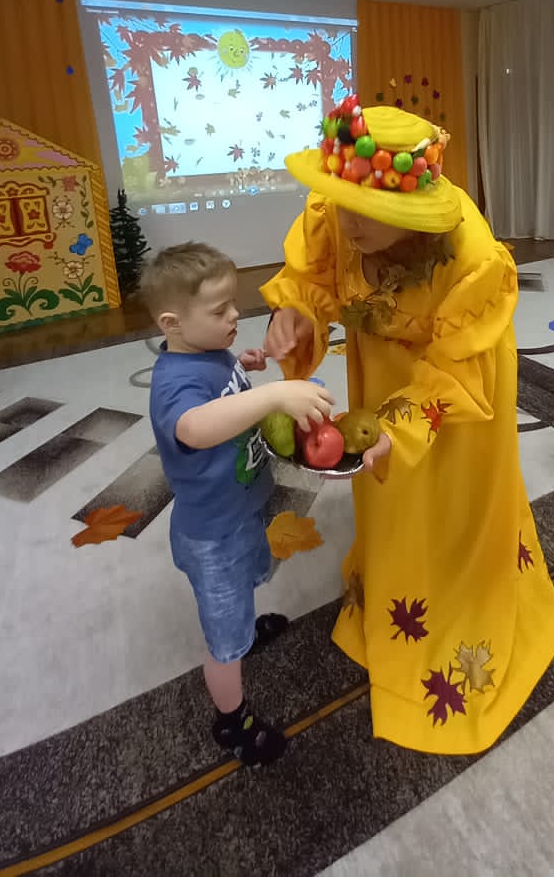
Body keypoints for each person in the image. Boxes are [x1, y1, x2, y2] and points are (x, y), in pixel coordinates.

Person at [262, 98, 554, 755]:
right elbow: (311, 280)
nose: (347, 222)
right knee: (391, 494)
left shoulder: (472, 257)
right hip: (379, 370)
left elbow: (455, 372)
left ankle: (460, 599)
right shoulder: (335, 212)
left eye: (367, 211)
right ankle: (392, 586)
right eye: (343, 204)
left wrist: (395, 427)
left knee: (453, 499)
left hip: (454, 382)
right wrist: (296, 317)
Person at [141, 242, 334, 766]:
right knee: (223, 641)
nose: (235, 316)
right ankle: (233, 722)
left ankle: (244, 630)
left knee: (248, 580)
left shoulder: (208, 354)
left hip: (241, 510)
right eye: (219, 310)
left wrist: (244, 370)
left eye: (233, 304)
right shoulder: (174, 381)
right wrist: (268, 396)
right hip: (212, 533)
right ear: (171, 324)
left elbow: (225, 402)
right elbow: (194, 427)